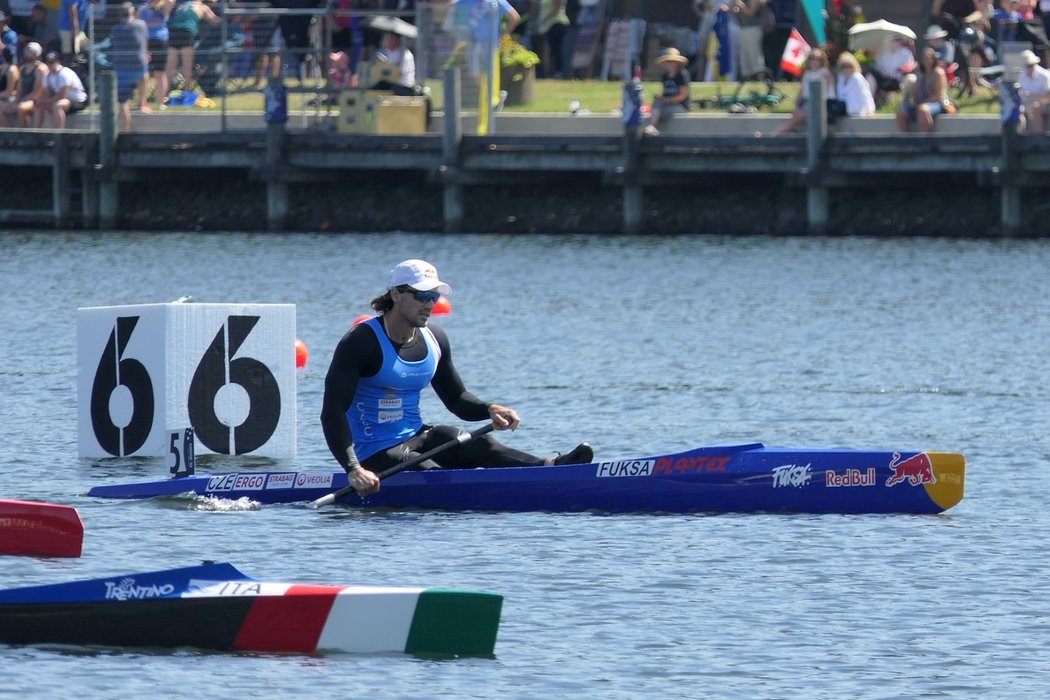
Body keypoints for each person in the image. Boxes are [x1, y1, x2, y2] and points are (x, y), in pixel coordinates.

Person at [320, 259, 593, 497]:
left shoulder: (435, 338)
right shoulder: (361, 342)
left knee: (473, 442)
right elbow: (332, 412)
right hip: (376, 452)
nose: (430, 304)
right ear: (396, 294)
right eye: (421, 296)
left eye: (434, 297)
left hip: (418, 436)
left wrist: (490, 409)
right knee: (434, 475)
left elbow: (457, 399)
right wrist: (354, 469)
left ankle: (551, 469)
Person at [768, 47, 833, 136]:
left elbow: (828, 94)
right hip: (806, 104)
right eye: (812, 59)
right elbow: (802, 92)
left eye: (818, 59)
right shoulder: (807, 74)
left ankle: (773, 135)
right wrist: (797, 104)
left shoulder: (825, 73)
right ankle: (777, 134)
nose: (815, 61)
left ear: (822, 61)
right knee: (796, 114)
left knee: (796, 117)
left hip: (821, 106)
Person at [165, 0, 220, 95]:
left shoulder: (182, 5)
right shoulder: (202, 7)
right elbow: (215, 21)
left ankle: (165, 91)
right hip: (187, 31)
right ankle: (186, 91)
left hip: (173, 31)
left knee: (171, 65)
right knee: (187, 65)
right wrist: (230, 19)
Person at [109, 2, 148, 131]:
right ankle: (142, 102)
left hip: (121, 68)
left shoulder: (115, 29)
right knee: (144, 74)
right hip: (139, 65)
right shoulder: (141, 25)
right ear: (133, 13)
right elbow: (145, 43)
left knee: (123, 102)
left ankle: (124, 131)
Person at [896, 47, 951, 133]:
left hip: (937, 104)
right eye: (925, 58)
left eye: (929, 57)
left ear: (933, 59)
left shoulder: (938, 73)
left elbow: (939, 94)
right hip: (920, 103)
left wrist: (924, 102)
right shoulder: (920, 73)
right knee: (901, 112)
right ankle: (907, 142)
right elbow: (917, 91)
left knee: (923, 110)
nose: (927, 60)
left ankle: (924, 141)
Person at [643, 46, 690, 136]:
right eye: (669, 62)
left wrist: (668, 100)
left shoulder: (682, 75)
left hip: (680, 106)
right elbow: (664, 93)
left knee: (659, 110)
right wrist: (660, 98)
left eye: (673, 62)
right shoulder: (665, 76)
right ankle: (652, 127)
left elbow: (683, 95)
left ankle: (653, 125)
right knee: (657, 104)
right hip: (667, 105)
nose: (671, 64)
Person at [32, 49, 85, 127]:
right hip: (65, 100)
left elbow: (62, 95)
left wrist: (47, 101)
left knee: (57, 106)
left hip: (77, 100)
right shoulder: (47, 76)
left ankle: (58, 134)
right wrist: (40, 101)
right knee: (38, 107)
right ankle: (35, 134)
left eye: (52, 62)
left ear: (58, 62)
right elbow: (46, 93)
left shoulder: (64, 73)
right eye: (48, 62)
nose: (50, 65)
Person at [0, 40, 47, 126]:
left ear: (37, 54)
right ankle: (10, 137)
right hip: (23, 99)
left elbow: (37, 93)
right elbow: (19, 89)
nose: (27, 53)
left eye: (30, 52)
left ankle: (24, 134)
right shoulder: (23, 68)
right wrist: (17, 100)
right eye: (27, 51)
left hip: (36, 100)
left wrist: (22, 100)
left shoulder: (41, 69)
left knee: (21, 108)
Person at [138, 0, 173, 111]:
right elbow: (138, 23)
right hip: (146, 42)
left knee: (160, 73)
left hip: (160, 41)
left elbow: (170, 3)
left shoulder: (163, 6)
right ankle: (142, 102)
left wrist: (158, 5)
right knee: (144, 73)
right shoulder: (142, 9)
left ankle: (160, 102)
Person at [833, 50, 875, 120]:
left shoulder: (857, 78)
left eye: (848, 66)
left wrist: (870, 110)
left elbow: (866, 95)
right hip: (843, 112)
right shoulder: (841, 78)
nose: (846, 69)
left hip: (856, 112)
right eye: (844, 66)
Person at [1019, 48, 1050, 133]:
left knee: (1035, 108)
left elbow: (1048, 97)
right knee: (1018, 111)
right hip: (1027, 103)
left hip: (1044, 103)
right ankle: (1021, 137)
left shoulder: (1044, 76)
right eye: (1027, 65)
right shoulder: (1021, 76)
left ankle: (1040, 137)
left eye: (1031, 65)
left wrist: (1032, 96)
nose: (1029, 67)